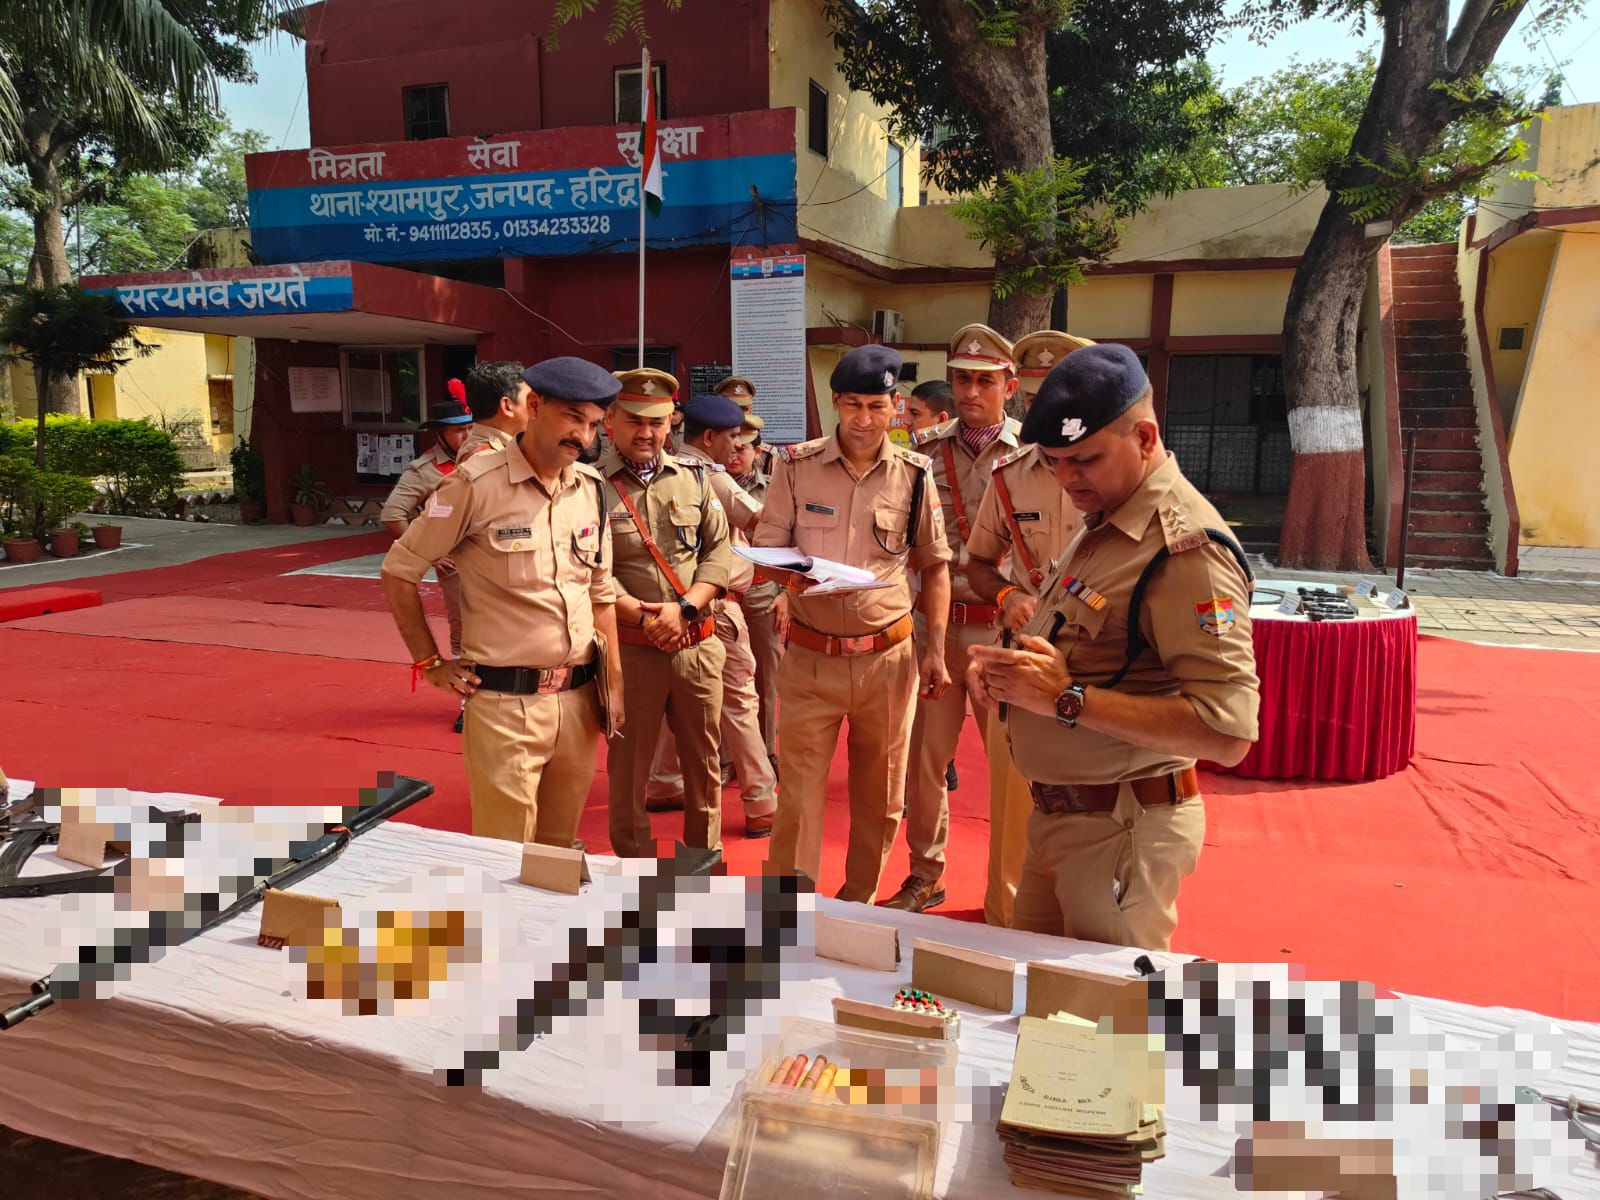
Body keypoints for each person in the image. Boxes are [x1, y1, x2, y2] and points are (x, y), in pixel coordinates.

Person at [967, 344, 1260, 951]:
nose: (1067, 479)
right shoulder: (1108, 519)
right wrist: (1011, 677)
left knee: (1109, 1009)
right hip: (1064, 819)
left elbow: (1227, 731)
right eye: (1054, 463)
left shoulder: (1186, 552)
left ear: (1145, 437)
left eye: (1085, 460)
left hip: (1121, 830)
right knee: (1041, 999)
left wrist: (1065, 698)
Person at [381, 357, 625, 846]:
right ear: (534, 406)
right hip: (506, 706)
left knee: (559, 851)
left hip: (579, 701)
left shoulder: (591, 489)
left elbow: (600, 593)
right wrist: (430, 662)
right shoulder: (475, 484)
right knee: (505, 854)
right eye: (573, 417)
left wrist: (614, 684)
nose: (583, 436)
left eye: (594, 424)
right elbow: (399, 570)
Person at [752, 345, 952, 903]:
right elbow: (768, 552)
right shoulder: (795, 467)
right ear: (836, 403)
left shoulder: (914, 475)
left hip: (888, 660)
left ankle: (857, 905)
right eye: (853, 405)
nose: (864, 419)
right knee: (798, 798)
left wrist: (935, 651)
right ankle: (787, 912)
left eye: (876, 406)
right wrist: (798, 581)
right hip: (811, 658)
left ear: (895, 407)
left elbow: (935, 566)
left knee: (881, 796)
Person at [880, 324, 1023, 913]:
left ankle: (1010, 893)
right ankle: (925, 874)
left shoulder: (1030, 453)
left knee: (1012, 771)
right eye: (962, 379)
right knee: (925, 762)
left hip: (1001, 632)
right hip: (935, 631)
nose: (971, 392)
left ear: (1009, 386)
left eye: (985, 381)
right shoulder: (922, 453)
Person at [964, 330, 1093, 925]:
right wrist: (1008, 594)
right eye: (1038, 396)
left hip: (1101, 664)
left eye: (1061, 395)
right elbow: (978, 563)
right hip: (1024, 663)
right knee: (1015, 806)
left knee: (1098, 808)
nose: (1049, 409)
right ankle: (1006, 925)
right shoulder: (1010, 476)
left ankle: (1089, 927)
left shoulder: (1122, 476)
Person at [598, 368, 732, 858]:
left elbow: (719, 551)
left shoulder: (694, 479)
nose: (646, 432)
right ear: (610, 420)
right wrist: (645, 618)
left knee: (705, 767)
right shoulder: (590, 487)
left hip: (697, 646)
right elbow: (589, 568)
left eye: (656, 422)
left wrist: (686, 608)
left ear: (671, 422)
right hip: (633, 653)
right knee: (628, 768)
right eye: (634, 420)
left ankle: (703, 863)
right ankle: (634, 868)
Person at [643, 394, 777, 837]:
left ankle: (664, 783)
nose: (736, 446)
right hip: (717, 606)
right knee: (739, 702)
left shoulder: (657, 474)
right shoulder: (710, 477)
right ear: (708, 438)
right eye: (732, 437)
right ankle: (761, 800)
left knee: (673, 698)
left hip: (669, 609)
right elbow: (760, 520)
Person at [380, 394, 475, 729]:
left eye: (470, 427)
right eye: (458, 430)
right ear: (439, 433)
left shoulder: (488, 459)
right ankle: (468, 702)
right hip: (457, 567)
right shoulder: (424, 470)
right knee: (465, 633)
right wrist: (430, 553)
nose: (466, 435)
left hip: (495, 561)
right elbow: (393, 513)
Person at [732, 414, 783, 768]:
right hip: (723, 597)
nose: (736, 454)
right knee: (725, 681)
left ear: (758, 451)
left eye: (744, 448)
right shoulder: (709, 484)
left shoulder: (776, 489)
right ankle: (726, 758)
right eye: (732, 446)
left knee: (767, 679)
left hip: (765, 593)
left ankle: (766, 753)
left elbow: (794, 547)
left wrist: (787, 594)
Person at [457, 360, 531, 464]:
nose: (537, 407)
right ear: (507, 406)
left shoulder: (504, 448)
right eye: (530, 401)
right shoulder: (486, 458)